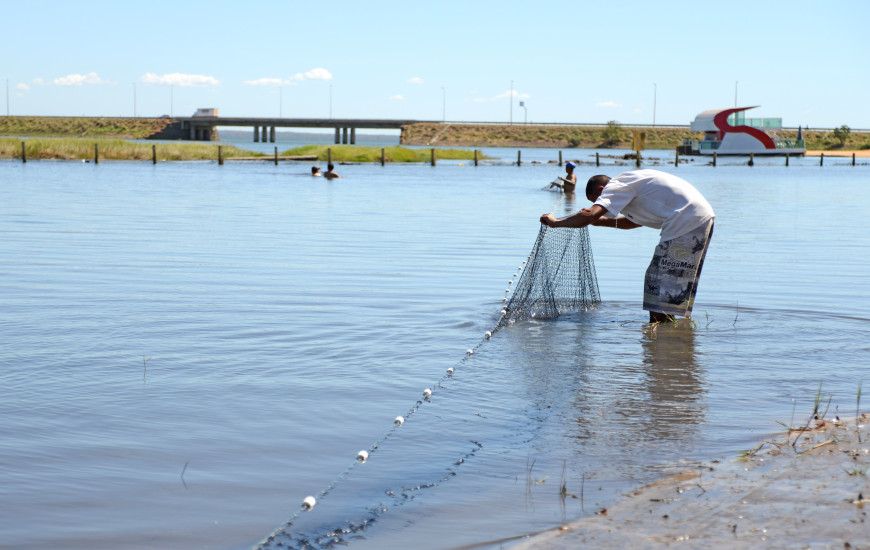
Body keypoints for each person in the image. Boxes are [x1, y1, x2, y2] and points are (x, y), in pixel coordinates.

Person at [540, 169, 715, 323]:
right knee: (669, 285)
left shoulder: (616, 186)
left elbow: (589, 215)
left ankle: (661, 331)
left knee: (657, 283)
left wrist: (556, 222)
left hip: (686, 219)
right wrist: (599, 221)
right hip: (697, 217)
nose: (603, 207)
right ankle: (670, 338)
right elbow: (633, 222)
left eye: (597, 201)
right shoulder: (629, 186)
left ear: (602, 190)